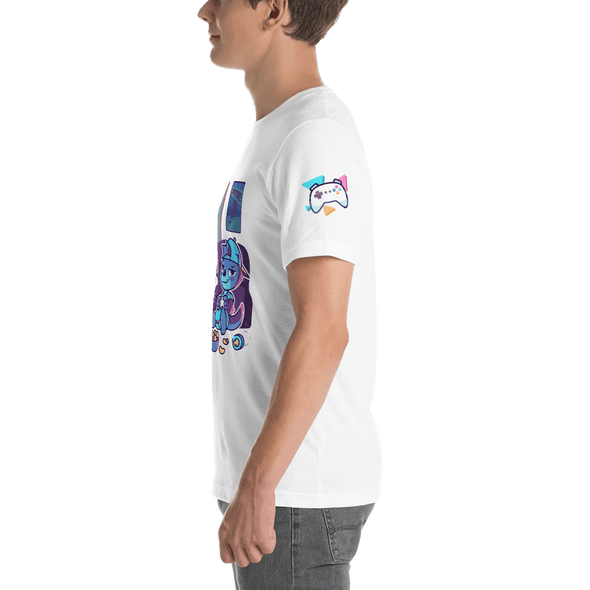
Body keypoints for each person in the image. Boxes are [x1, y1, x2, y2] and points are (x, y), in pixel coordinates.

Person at [197, 1, 383, 588]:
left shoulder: (313, 137)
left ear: (275, 9)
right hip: (279, 488)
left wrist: (260, 483)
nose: (204, 11)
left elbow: (324, 328)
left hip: (295, 493)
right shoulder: (278, 130)